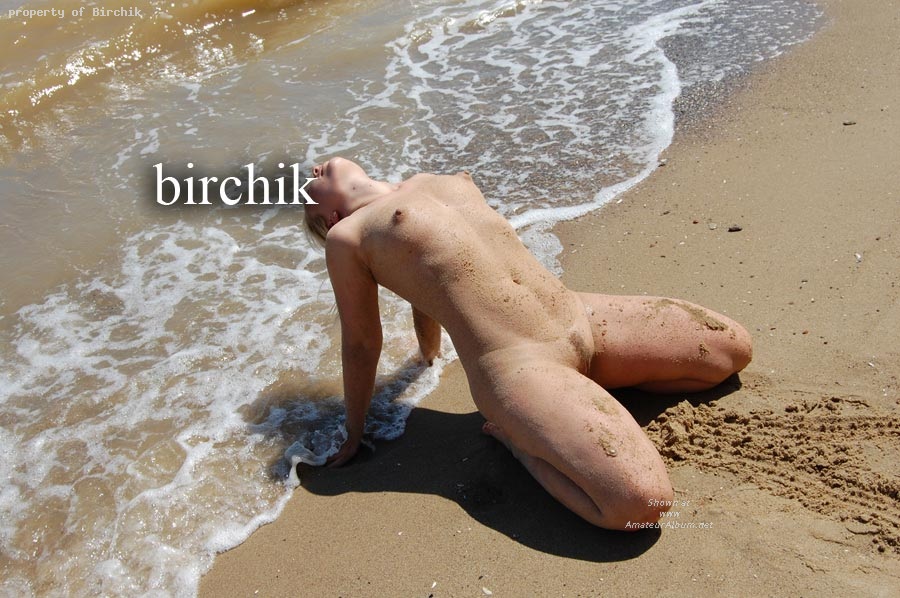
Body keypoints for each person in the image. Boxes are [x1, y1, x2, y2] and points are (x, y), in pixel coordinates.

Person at [303, 157, 752, 530]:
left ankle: (582, 397)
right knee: (640, 507)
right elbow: (362, 343)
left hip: (581, 317)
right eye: (307, 189)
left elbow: (426, 287)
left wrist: (428, 355)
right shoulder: (348, 237)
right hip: (521, 367)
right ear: (331, 219)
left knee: (731, 351)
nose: (312, 170)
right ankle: (519, 440)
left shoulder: (423, 181)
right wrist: (355, 432)